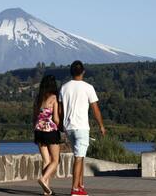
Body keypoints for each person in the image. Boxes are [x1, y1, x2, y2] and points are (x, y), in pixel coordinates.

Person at [59, 60, 106, 196]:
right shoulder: (88, 87)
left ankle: (80, 185)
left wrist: (62, 124)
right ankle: (74, 189)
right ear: (83, 72)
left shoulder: (64, 87)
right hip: (81, 127)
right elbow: (95, 109)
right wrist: (101, 126)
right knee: (78, 158)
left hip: (68, 127)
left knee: (80, 156)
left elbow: (61, 109)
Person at [33, 75, 60, 195]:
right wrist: (60, 124)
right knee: (55, 160)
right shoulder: (54, 98)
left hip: (38, 131)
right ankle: (43, 179)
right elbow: (55, 118)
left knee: (46, 160)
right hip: (50, 132)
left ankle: (46, 190)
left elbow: (34, 116)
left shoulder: (38, 98)